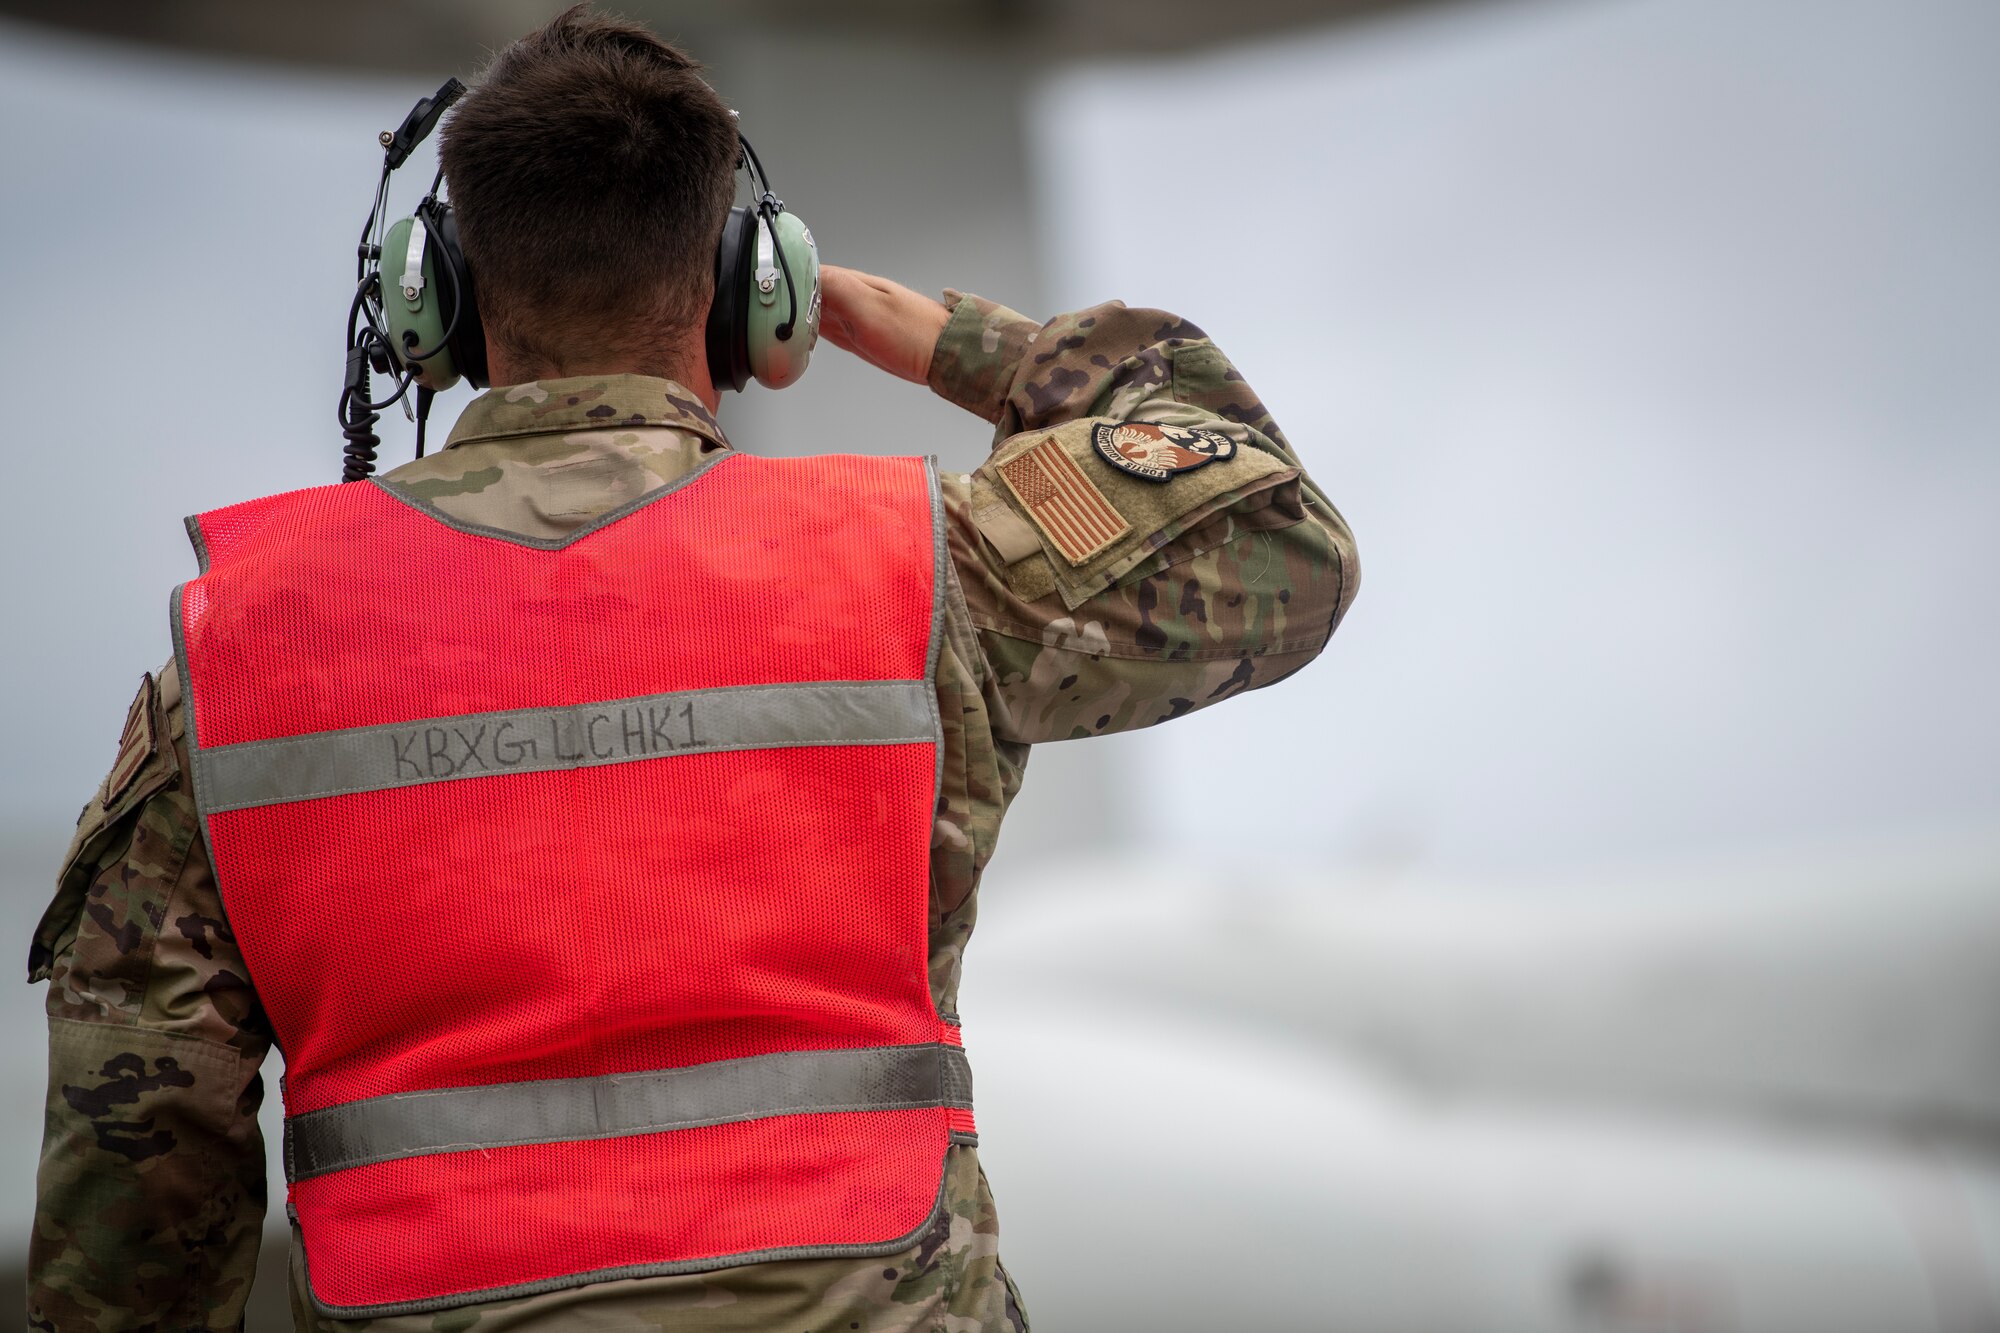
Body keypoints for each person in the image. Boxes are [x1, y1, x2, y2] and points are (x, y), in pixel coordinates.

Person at [28, 7, 1358, 1331]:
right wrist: (938, 337)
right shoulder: (922, 572)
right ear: (747, 298)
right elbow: (1279, 537)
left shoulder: (240, 659)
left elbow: (132, 1211)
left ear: (427, 299)